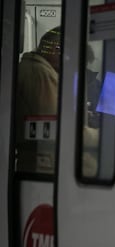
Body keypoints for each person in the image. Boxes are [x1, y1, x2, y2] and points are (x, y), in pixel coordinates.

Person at [15, 26, 98, 176]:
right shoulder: (40, 73)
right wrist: (101, 136)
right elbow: (56, 128)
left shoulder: (35, 69)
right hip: (50, 167)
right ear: (56, 49)